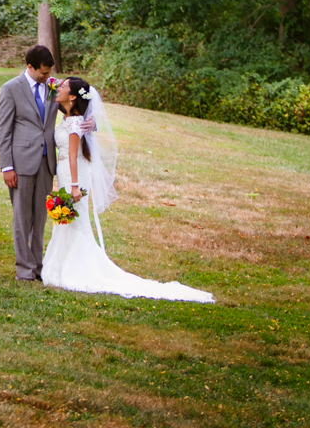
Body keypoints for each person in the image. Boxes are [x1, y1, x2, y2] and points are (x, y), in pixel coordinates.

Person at [41, 77, 215, 302]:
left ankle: (76, 268)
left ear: (73, 97)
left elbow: (74, 156)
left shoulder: (75, 123)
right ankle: (60, 264)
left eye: (63, 87)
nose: (58, 88)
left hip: (74, 175)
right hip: (66, 173)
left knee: (77, 218)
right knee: (69, 219)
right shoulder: (66, 116)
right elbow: (52, 88)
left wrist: (74, 186)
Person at [0, 45, 71, 282]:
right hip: (21, 164)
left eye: (49, 73)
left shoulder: (51, 88)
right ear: (30, 67)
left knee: (39, 218)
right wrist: (7, 167)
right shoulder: (10, 89)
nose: (48, 77)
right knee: (22, 217)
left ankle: (38, 267)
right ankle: (24, 269)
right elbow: (3, 130)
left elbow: (72, 108)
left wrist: (89, 122)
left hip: (46, 163)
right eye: (43, 73)